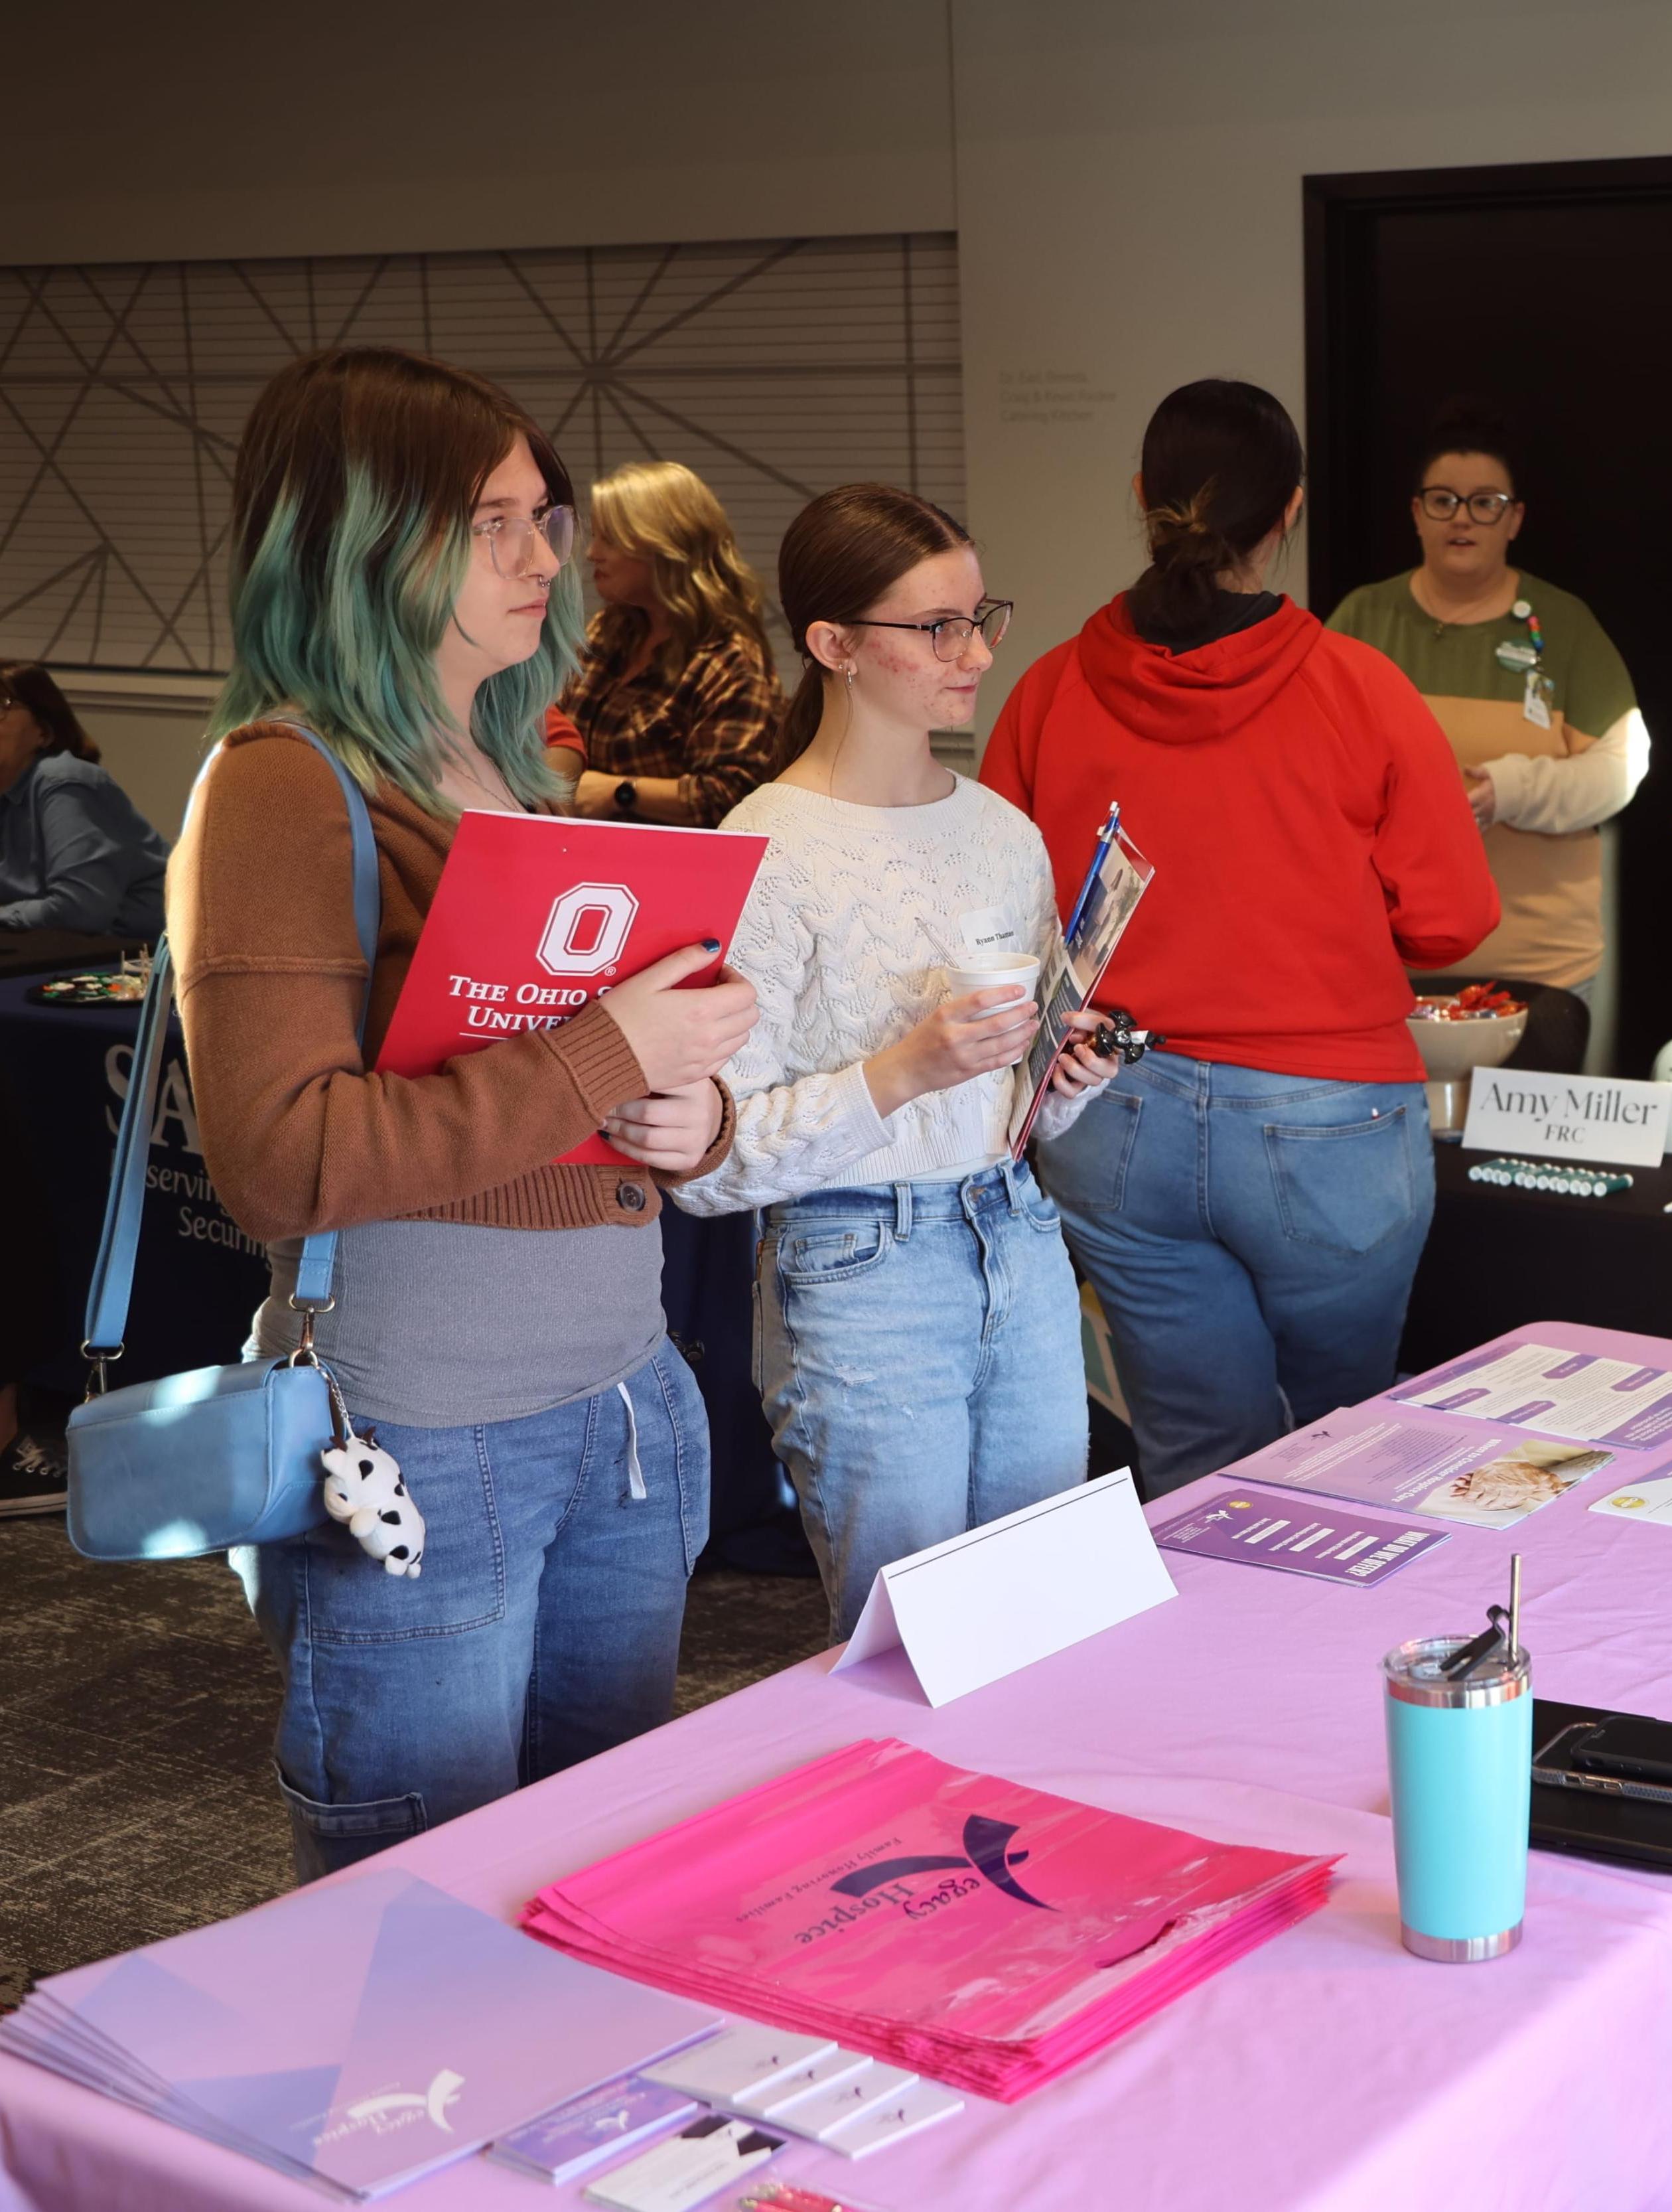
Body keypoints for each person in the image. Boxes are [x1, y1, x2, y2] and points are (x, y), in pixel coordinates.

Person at [168, 346, 757, 1878]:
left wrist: (689, 1118)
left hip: (623, 1405)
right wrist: (602, 1057)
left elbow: (585, 1091)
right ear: (361, 540)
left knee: (594, 1874)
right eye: (491, 520)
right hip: (429, 1431)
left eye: (544, 516)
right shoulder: (285, 786)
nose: (542, 555)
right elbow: (283, 1161)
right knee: (419, 1905)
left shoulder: (510, 771)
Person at [983, 378, 1498, 1496]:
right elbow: (1454, 919)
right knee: (1347, 1454)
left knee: (1194, 1457)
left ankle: (1206, 1669)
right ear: (1290, 511)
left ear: (1141, 497)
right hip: (1328, 1120)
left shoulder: (1049, 690)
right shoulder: (1360, 689)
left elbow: (996, 908)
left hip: (1112, 1112)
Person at [673, 485, 1121, 1640]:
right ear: (832, 645)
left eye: (980, 618)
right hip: (858, 1259)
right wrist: (904, 1070)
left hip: (1015, 1234)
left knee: (1042, 1622)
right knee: (909, 1645)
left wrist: (1054, 1083)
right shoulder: (765, 847)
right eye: (935, 627)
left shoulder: (999, 830)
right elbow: (711, 1162)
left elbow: (1005, 1118)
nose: (971, 653)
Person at [1325, 402, 1643, 1068]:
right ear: (1416, 513)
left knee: (1526, 1165)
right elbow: (1312, 769)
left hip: (1539, 966)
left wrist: (1512, 790)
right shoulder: (1364, 618)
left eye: (1485, 502)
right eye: (1442, 501)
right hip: (1389, 958)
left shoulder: (1564, 625)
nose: (1462, 518)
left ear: (1514, 520)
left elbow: (1621, 768)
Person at [549, 459, 781, 826]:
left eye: (609, 538)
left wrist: (620, 793)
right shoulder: (611, 628)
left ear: (663, 546)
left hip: (672, 867)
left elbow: (736, 793)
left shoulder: (730, 658)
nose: (592, 553)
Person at [0, 662, 168, 939]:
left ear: (44, 731)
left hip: (138, 960)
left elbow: (79, 910)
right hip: (60, 950)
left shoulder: (63, 781)